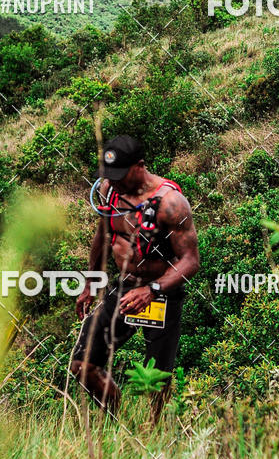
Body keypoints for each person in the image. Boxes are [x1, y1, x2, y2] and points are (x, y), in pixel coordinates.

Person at [71, 134, 200, 413]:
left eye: (120, 174)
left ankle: (152, 436)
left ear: (139, 166)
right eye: (110, 175)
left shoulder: (171, 203)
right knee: (82, 365)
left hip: (162, 295)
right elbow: (103, 236)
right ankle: (119, 419)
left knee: (154, 382)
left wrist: (152, 291)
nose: (114, 181)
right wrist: (91, 283)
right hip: (126, 288)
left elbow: (190, 260)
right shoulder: (109, 190)